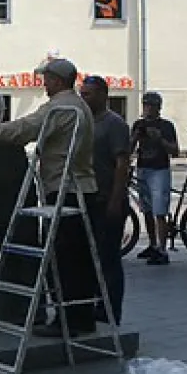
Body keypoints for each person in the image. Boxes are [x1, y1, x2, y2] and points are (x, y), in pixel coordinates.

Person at [0, 58, 98, 336]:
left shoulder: (62, 107)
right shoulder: (80, 106)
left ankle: (71, 322)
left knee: (66, 259)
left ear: (56, 79)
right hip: (79, 187)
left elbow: (23, 129)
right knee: (77, 259)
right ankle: (80, 319)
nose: (44, 83)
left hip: (66, 189)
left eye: (47, 78)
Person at [79, 76, 131, 324]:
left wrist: (115, 199)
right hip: (89, 198)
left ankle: (111, 312)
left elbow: (122, 164)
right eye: (82, 93)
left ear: (102, 94)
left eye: (88, 94)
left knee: (109, 258)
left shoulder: (114, 124)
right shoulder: (85, 122)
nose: (83, 98)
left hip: (108, 199)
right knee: (90, 257)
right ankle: (93, 307)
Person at [131, 91, 179, 265]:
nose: (148, 109)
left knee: (159, 211)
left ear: (158, 108)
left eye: (151, 106)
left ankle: (162, 249)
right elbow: (129, 148)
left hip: (159, 170)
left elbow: (175, 151)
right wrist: (136, 136)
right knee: (147, 210)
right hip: (143, 168)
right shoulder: (138, 124)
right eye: (146, 105)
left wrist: (159, 139)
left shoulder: (166, 126)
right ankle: (152, 244)